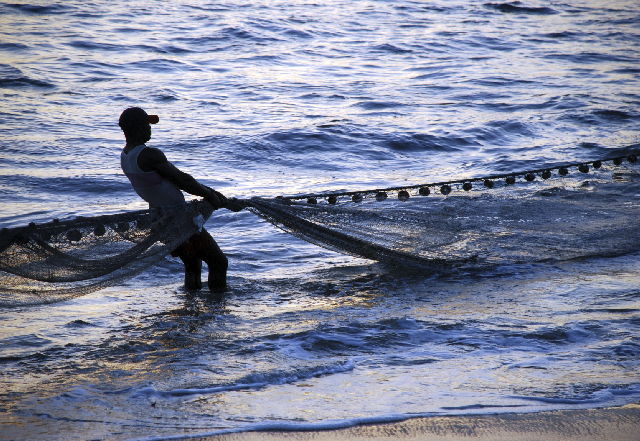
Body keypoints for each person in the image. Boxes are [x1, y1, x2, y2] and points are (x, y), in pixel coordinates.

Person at [119, 107, 240, 291]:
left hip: (160, 220)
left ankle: (190, 310)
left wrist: (213, 194)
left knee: (192, 264)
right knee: (218, 262)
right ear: (137, 128)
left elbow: (175, 181)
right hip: (178, 220)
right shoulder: (149, 154)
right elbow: (183, 180)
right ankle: (216, 307)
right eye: (147, 125)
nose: (150, 129)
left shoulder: (126, 156)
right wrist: (210, 196)